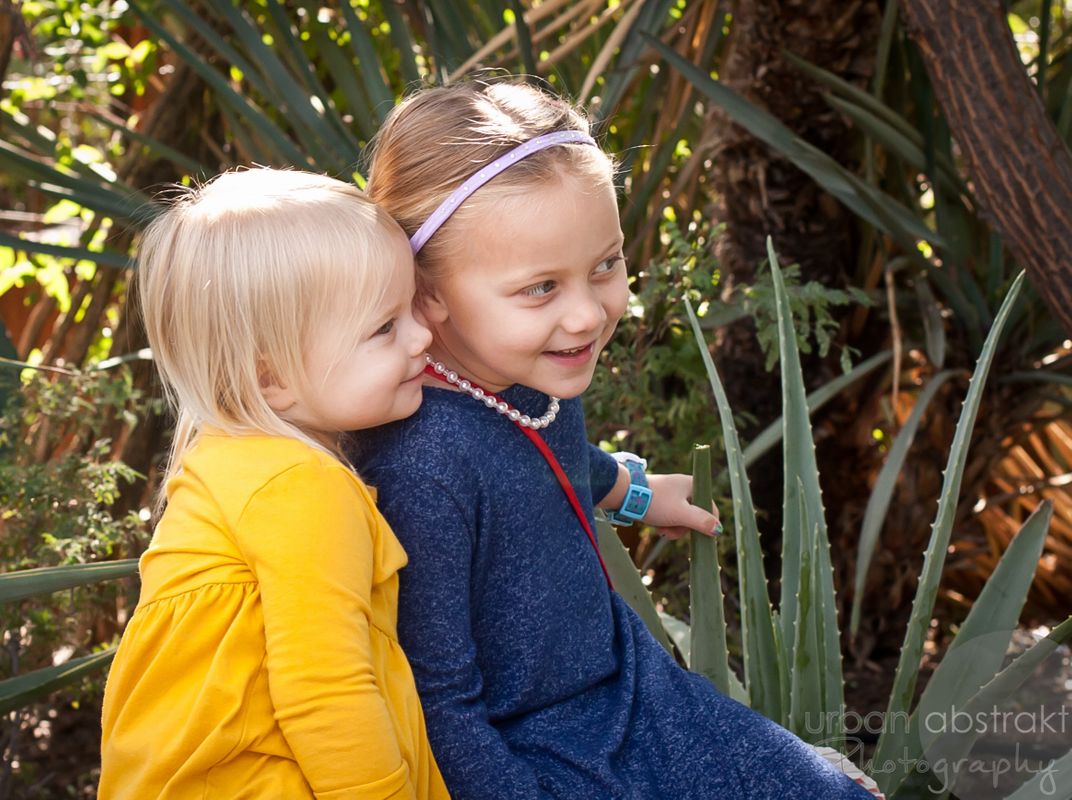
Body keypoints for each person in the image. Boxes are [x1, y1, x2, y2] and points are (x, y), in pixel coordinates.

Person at [351, 81, 879, 799]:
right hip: (531, 745)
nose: (586, 315)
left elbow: (556, 462)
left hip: (633, 684)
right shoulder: (422, 467)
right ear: (427, 295)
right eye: (540, 287)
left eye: (606, 265)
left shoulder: (531, 371)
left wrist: (633, 493)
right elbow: (440, 703)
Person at [99, 167, 449, 800]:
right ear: (271, 380)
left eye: (411, 309)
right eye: (385, 328)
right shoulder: (303, 486)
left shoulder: (226, 460)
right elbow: (326, 688)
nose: (423, 336)